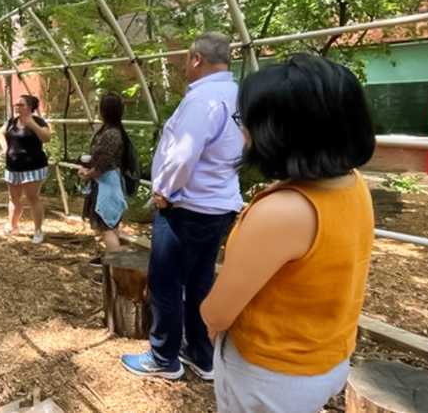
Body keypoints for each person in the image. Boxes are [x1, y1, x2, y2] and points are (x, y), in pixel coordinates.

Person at [201, 55, 375, 412]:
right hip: (324, 357)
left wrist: (207, 315)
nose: (243, 130)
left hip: (270, 373)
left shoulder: (284, 212)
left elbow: (218, 312)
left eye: (247, 120)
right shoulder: (353, 184)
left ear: (282, 132)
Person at [121, 32, 243, 380]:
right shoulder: (238, 96)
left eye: (184, 61)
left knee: (166, 282)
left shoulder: (203, 100)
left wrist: (165, 192)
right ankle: (202, 356)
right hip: (219, 205)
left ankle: (163, 358)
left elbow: (184, 153)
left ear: (196, 59)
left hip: (187, 207)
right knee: (200, 280)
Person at [79, 93, 129, 264]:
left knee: (107, 228)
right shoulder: (113, 131)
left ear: (103, 110)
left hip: (107, 186)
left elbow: (103, 164)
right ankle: (113, 264)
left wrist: (87, 173)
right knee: (111, 226)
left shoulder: (110, 134)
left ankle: (115, 269)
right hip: (110, 183)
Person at [0, 94, 51, 244]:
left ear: (29, 107)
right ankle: (13, 225)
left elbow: (47, 138)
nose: (17, 106)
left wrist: (32, 124)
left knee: (32, 198)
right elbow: (0, 133)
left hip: (33, 167)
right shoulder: (11, 122)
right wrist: (5, 148)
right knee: (13, 198)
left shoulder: (39, 121)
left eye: (21, 104)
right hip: (13, 166)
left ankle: (38, 231)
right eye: (17, 104)